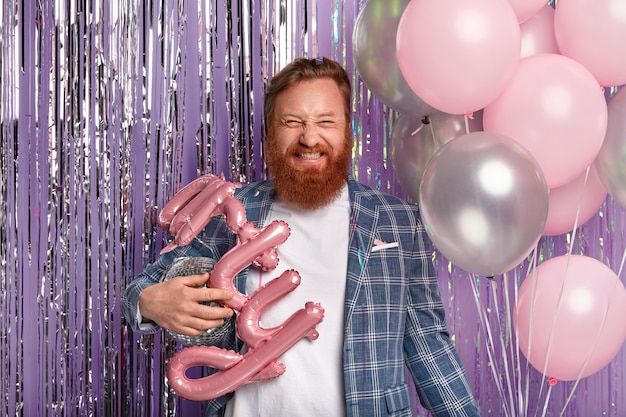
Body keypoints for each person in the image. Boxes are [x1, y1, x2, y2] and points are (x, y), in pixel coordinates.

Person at [122, 56, 481, 417]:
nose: (309, 137)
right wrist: (149, 303)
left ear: (347, 130)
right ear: (271, 132)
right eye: (292, 122)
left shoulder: (398, 221)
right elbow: (140, 290)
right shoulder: (230, 210)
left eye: (326, 121)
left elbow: (428, 346)